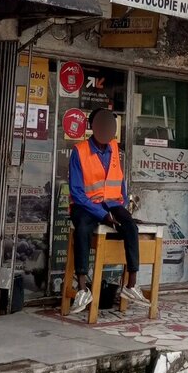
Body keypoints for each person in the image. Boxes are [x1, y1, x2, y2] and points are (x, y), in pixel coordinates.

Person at [68, 108, 149, 314]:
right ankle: (83, 288)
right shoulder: (79, 151)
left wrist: (121, 203)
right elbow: (77, 192)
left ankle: (131, 285)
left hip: (111, 203)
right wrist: (103, 215)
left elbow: (119, 178)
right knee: (83, 229)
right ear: (92, 127)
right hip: (85, 205)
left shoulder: (114, 148)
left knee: (130, 226)